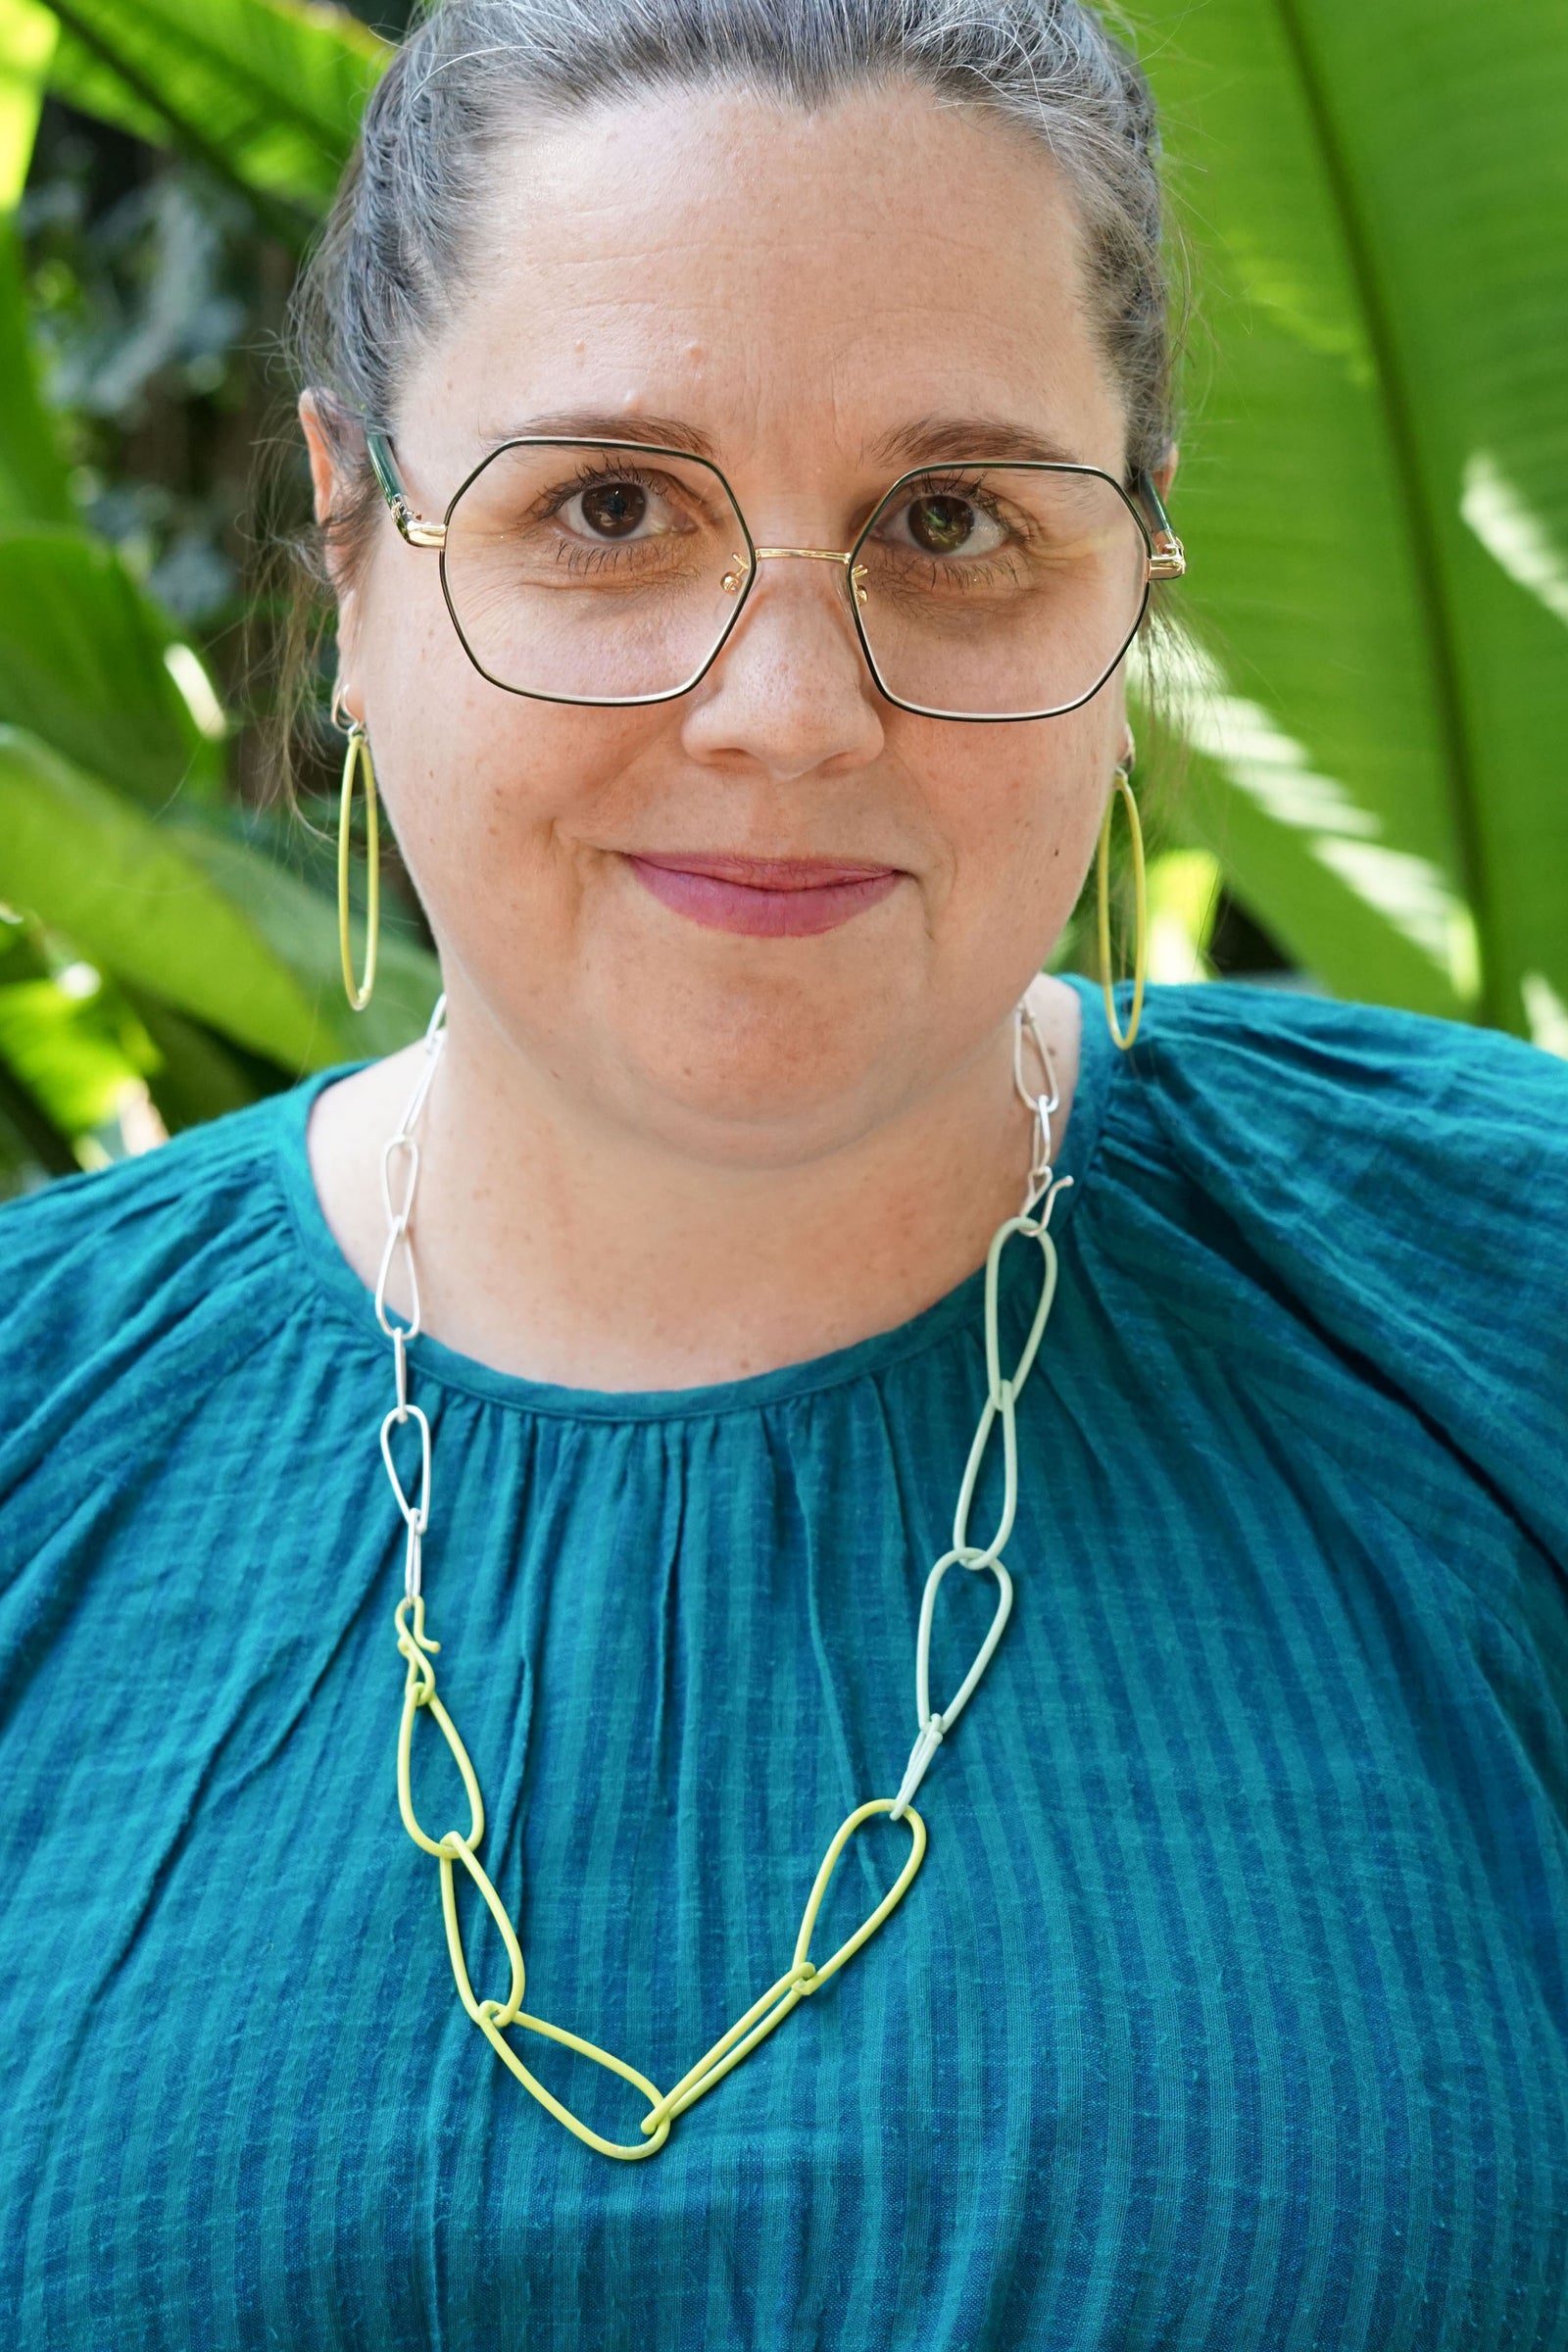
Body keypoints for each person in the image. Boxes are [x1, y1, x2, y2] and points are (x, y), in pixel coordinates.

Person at [2, 0, 1565, 2342]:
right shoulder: (46, 1434)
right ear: (352, 547)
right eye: (607, 508)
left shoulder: (1499, 1309)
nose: (786, 710)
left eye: (947, 524)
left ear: (1132, 570)